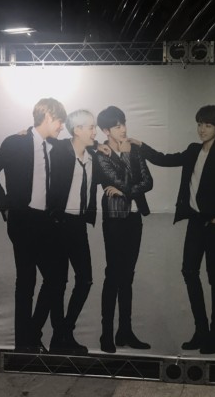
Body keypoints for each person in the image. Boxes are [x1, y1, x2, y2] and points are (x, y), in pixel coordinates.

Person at [130, 105, 215, 354]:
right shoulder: (193, 150)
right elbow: (165, 160)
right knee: (189, 271)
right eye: (200, 124)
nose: (202, 129)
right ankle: (201, 330)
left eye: (207, 125)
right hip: (196, 221)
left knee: (214, 276)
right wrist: (142, 146)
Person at [0, 98, 67, 353]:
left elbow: (80, 147)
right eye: (60, 121)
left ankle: (31, 334)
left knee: (56, 279)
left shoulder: (57, 146)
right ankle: (23, 348)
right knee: (26, 283)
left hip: (47, 222)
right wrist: (5, 207)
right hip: (23, 221)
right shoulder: (15, 142)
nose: (62, 127)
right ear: (48, 117)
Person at [96, 106, 153, 353]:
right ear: (106, 130)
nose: (123, 129)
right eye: (117, 126)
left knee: (128, 276)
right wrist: (128, 160)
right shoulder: (101, 154)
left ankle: (125, 332)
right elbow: (117, 182)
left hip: (134, 218)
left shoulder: (134, 149)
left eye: (124, 124)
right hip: (115, 219)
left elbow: (148, 182)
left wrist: (124, 190)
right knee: (113, 275)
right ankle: (106, 334)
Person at [45, 109, 101, 355]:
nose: (95, 131)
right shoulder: (58, 150)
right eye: (91, 127)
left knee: (85, 279)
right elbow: (42, 142)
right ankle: (59, 339)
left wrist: (100, 145)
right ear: (77, 129)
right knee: (59, 282)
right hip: (57, 224)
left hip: (78, 225)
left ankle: (64, 332)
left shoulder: (92, 157)